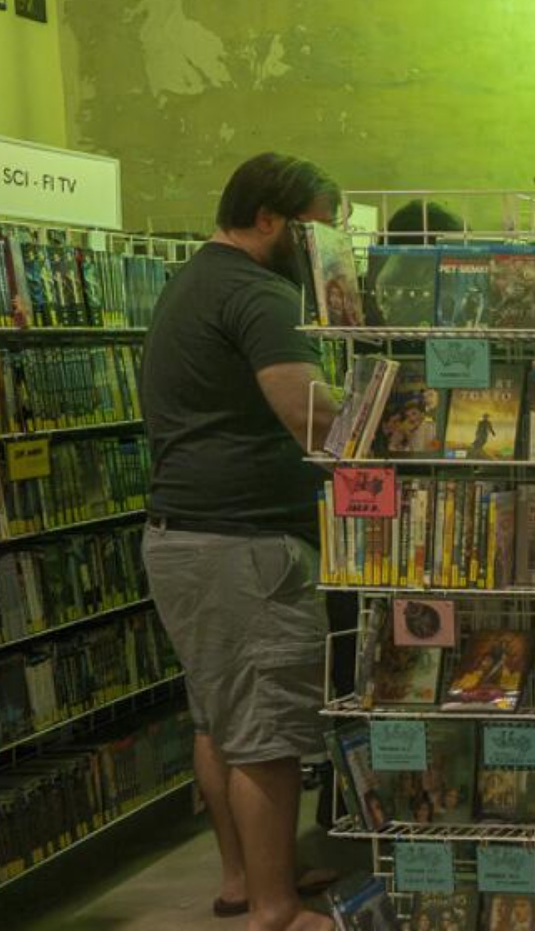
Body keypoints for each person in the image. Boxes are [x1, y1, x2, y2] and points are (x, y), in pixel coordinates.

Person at [141, 153, 345, 931]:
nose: (326, 250)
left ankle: (246, 879)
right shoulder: (261, 294)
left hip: (187, 537)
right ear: (270, 220)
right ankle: (275, 908)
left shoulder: (195, 280)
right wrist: (394, 427)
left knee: (220, 722)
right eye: (318, 231)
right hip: (244, 546)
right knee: (267, 735)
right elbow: (309, 414)